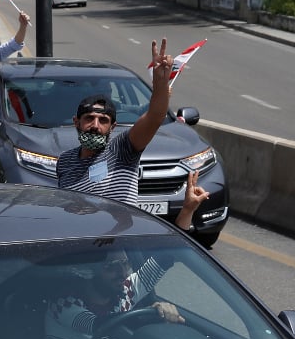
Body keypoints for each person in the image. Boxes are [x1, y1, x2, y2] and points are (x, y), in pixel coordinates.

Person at [55, 39, 210, 232]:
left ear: (113, 127)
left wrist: (160, 85)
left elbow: (154, 117)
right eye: (89, 118)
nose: (95, 126)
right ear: (76, 122)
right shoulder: (65, 161)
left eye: (103, 120)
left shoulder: (121, 149)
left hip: (117, 248)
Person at [44, 247, 184, 339]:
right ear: (89, 271)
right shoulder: (63, 303)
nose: (122, 273)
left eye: (125, 263)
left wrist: (187, 211)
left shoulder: (124, 290)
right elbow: (98, 325)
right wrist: (153, 315)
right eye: (111, 267)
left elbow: (165, 256)